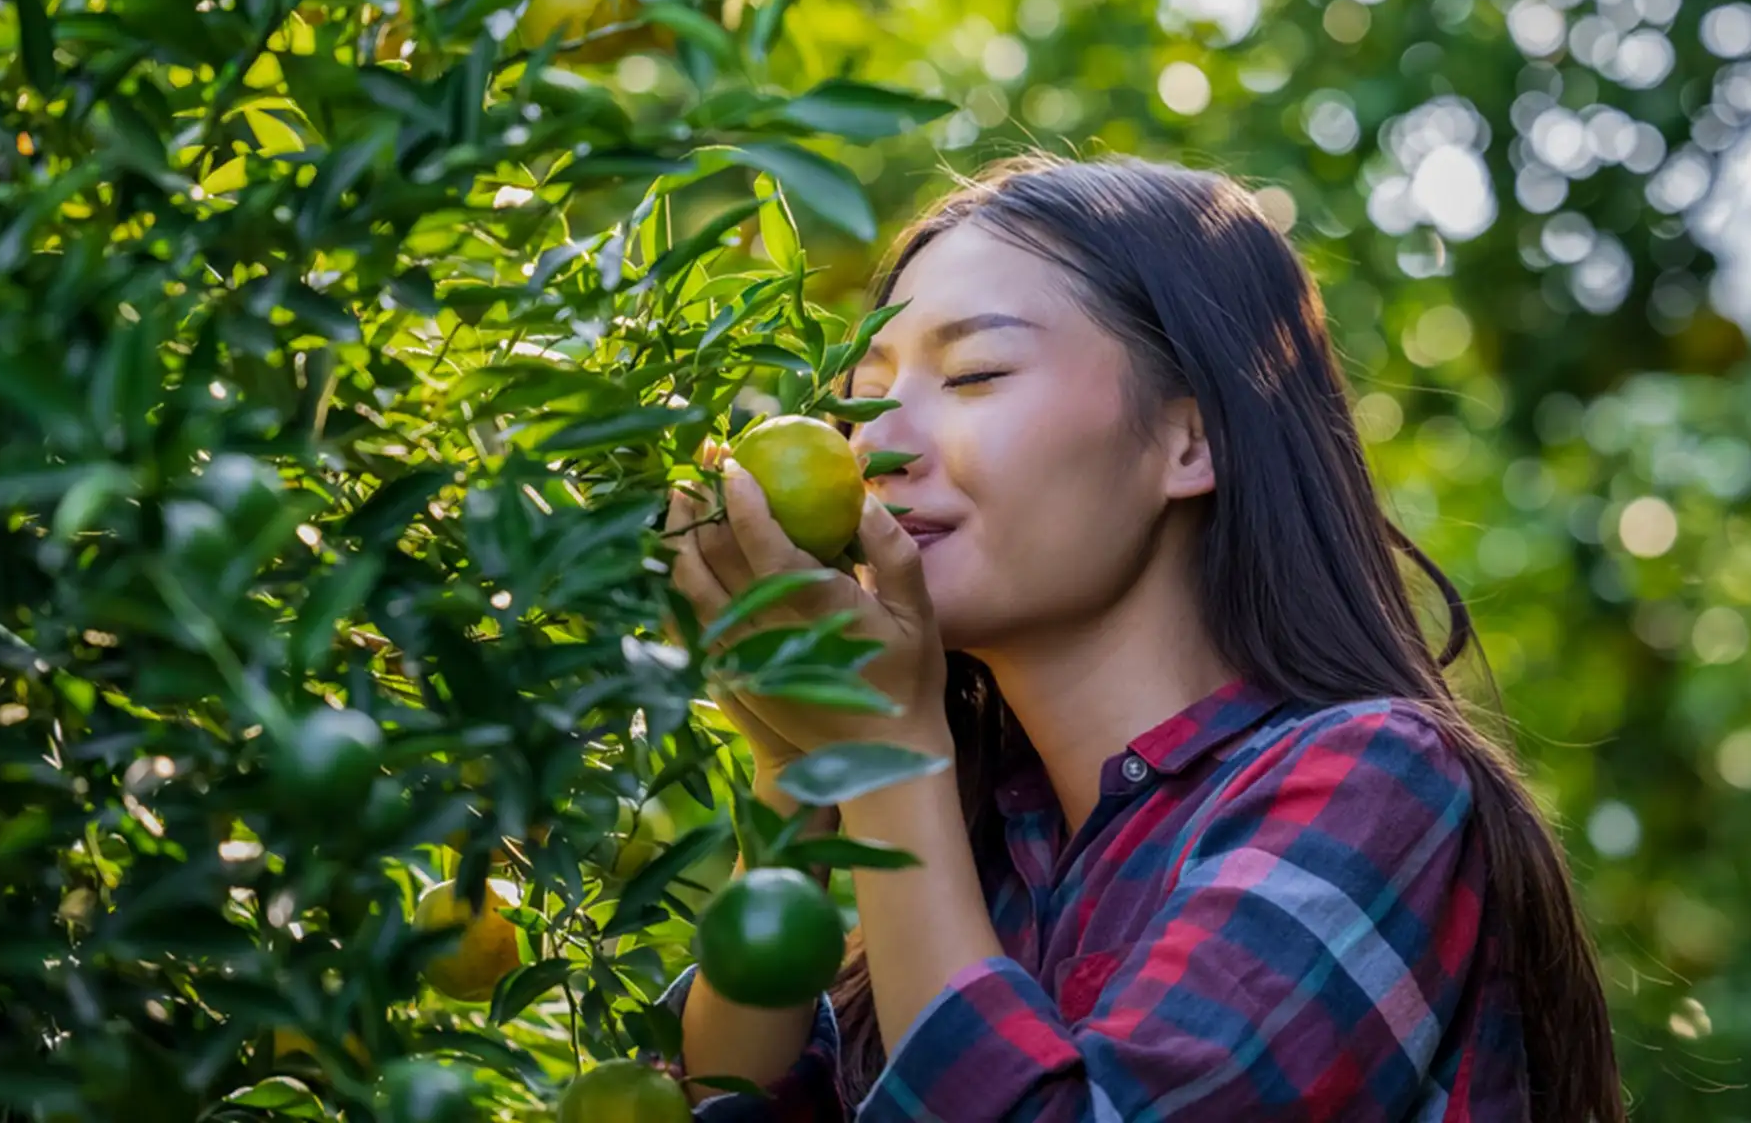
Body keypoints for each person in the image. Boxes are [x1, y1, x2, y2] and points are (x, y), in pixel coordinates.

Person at [660, 153, 1624, 1122]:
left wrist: (884, 755)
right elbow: (724, 1103)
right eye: (862, 395)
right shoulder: (974, 852)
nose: (872, 446)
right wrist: (796, 777)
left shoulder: (1376, 787)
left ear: (1190, 443)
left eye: (974, 373)